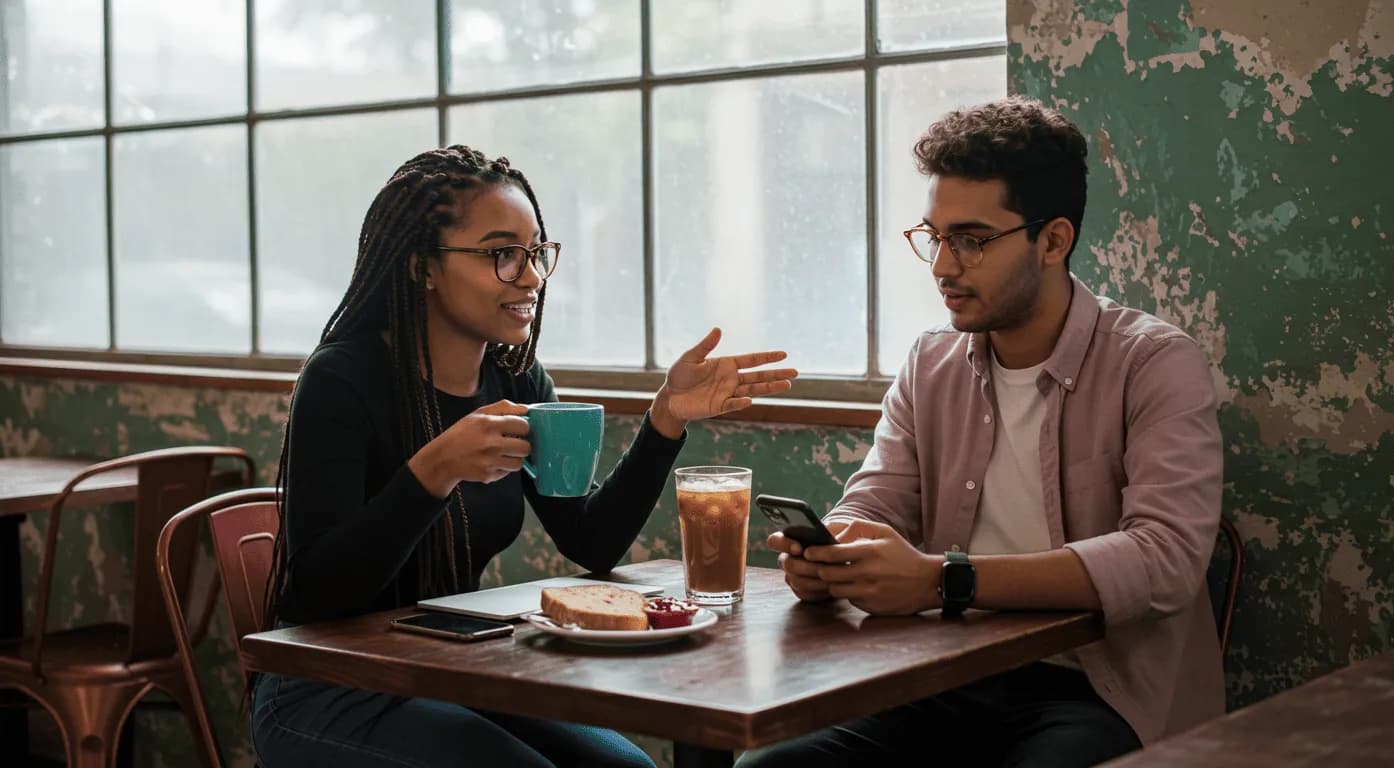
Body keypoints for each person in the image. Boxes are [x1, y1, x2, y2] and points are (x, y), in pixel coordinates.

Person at [252, 145, 798, 768]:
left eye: (535, 253)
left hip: (452, 673)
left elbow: (589, 541)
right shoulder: (341, 379)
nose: (532, 277)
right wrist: (435, 470)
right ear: (421, 267)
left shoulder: (516, 380)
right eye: (501, 255)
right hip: (328, 690)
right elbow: (322, 592)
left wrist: (665, 419)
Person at [744, 98, 1224, 767]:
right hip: (939, 677)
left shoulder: (1154, 362)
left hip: (1095, 691)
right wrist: (834, 554)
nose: (943, 266)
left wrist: (947, 581)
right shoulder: (932, 361)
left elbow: (1165, 558)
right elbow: (875, 502)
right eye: (933, 236)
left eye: (971, 240)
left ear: (1053, 240)